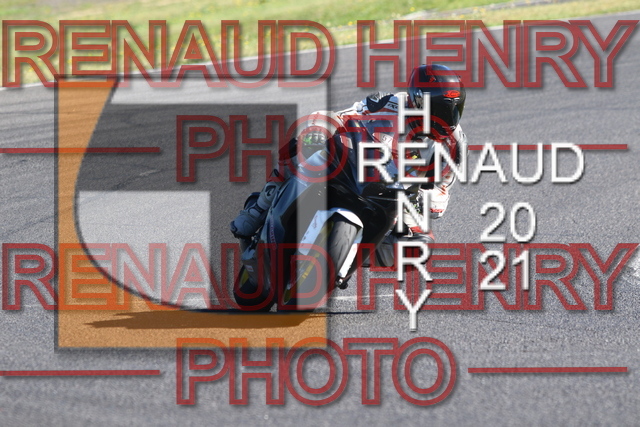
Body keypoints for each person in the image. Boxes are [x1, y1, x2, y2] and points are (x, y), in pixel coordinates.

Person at [230, 64, 467, 253]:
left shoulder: (455, 143)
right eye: (439, 110)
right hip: (360, 166)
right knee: (306, 142)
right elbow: (343, 116)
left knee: (420, 245)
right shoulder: (388, 104)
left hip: (399, 197)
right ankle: (260, 207)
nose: (448, 118)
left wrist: (424, 199)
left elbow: (441, 194)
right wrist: (320, 128)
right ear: (417, 100)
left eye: (454, 109)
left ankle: (356, 252)